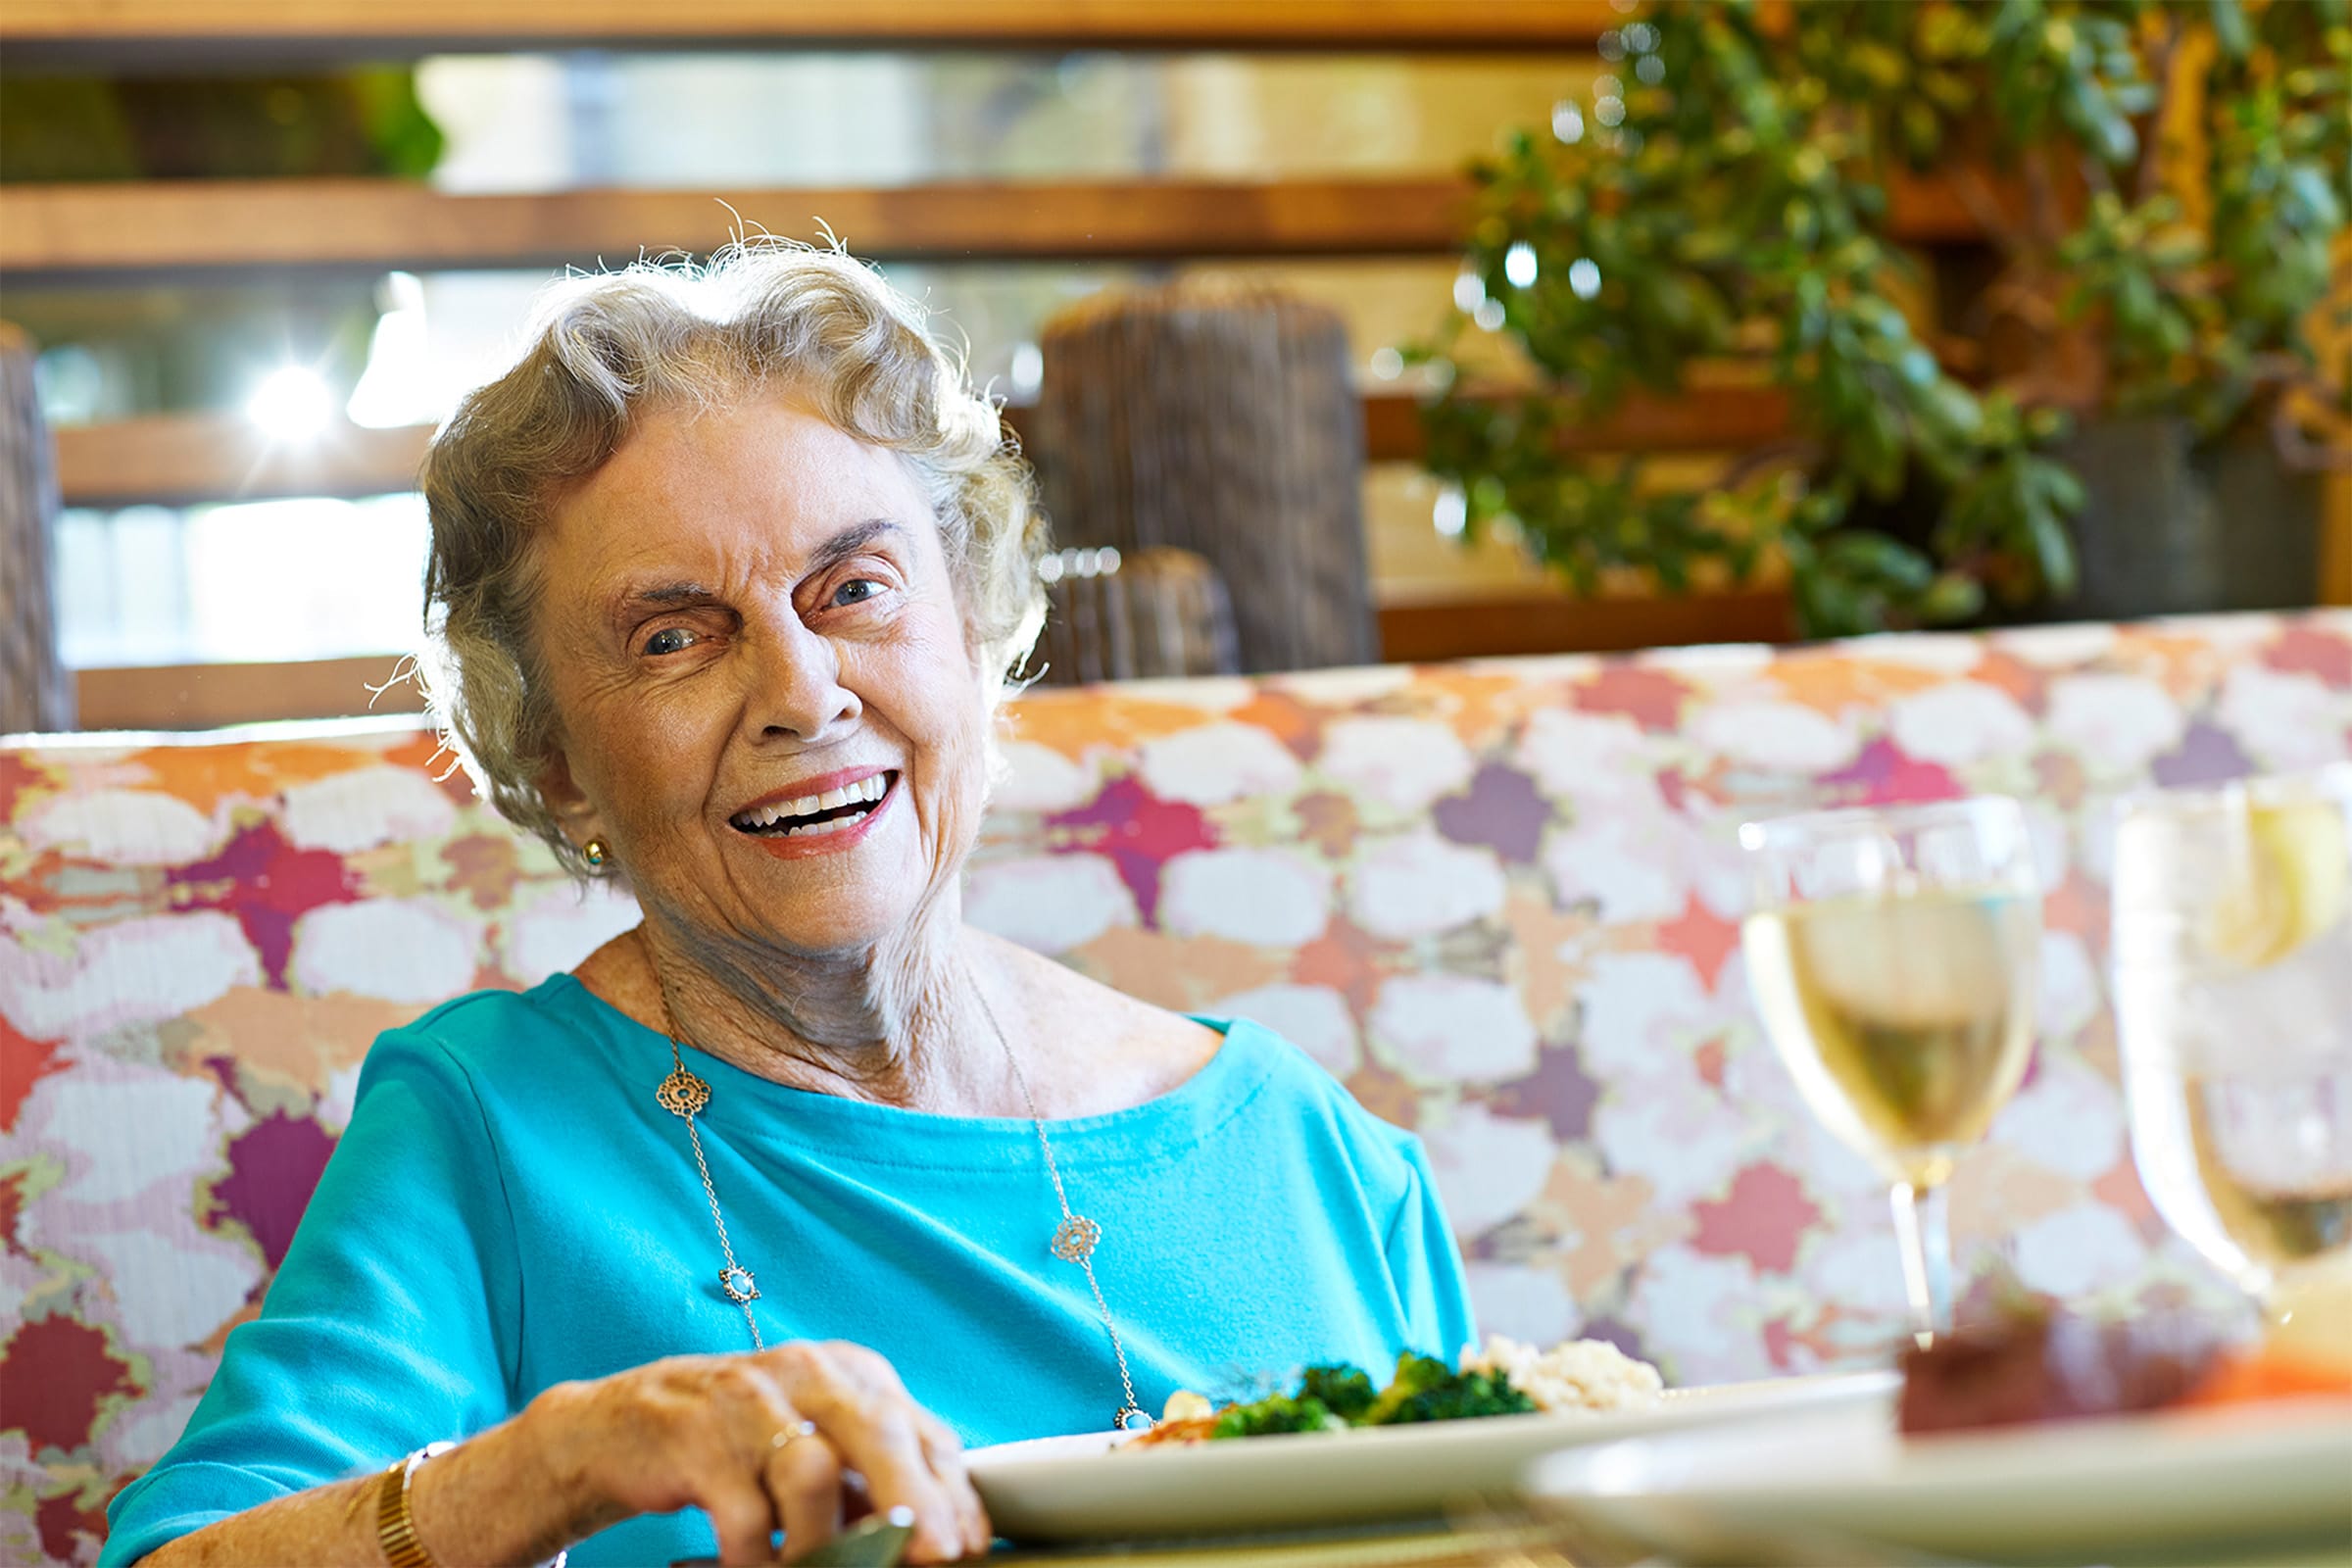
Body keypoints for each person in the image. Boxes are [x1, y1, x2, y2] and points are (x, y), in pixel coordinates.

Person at [99, 244, 1476, 1568]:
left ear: (976, 627)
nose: (805, 692)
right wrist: (554, 1466)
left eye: (855, 589)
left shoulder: (1321, 1164)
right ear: (556, 763)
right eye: (674, 636)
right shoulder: (488, 1127)